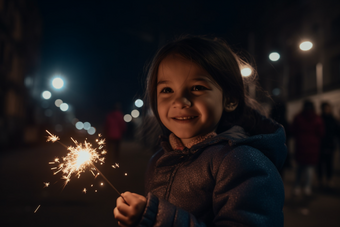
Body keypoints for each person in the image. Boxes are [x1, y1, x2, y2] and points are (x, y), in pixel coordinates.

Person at [113, 36, 287, 226]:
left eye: (197, 88)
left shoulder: (241, 162)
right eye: (167, 90)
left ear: (230, 99)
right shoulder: (159, 160)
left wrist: (155, 217)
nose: (179, 101)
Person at [291, 100, 324, 196]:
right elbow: (321, 133)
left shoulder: (298, 117)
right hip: (313, 147)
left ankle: (297, 186)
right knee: (310, 168)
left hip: (301, 146)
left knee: (300, 168)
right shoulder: (317, 119)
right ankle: (307, 187)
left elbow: (293, 130)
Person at [318, 102, 339, 187]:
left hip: (330, 144)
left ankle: (329, 179)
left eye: (328, 108)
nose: (327, 110)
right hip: (321, 144)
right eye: (326, 108)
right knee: (320, 163)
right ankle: (320, 179)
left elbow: (337, 132)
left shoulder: (333, 119)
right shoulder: (319, 119)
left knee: (329, 163)